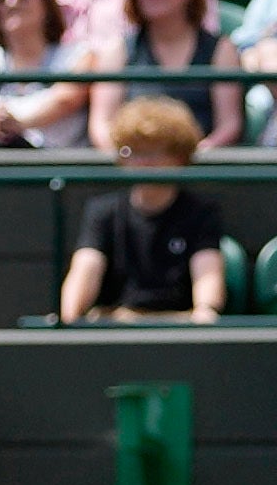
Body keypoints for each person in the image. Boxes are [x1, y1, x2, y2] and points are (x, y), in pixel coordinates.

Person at [59, 95, 233, 320]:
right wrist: (71, 319)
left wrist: (201, 314)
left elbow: (208, 296)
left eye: (154, 153)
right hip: (114, 333)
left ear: (179, 157)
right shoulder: (102, 212)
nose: (142, 163)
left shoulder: (202, 213)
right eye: (132, 152)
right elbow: (84, 273)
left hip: (176, 334)